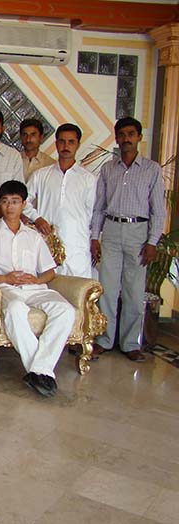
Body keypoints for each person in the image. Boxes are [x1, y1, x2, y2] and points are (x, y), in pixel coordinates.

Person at [0, 180, 75, 398]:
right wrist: (2, 278)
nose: (10, 206)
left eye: (15, 201)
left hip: (35, 288)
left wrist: (37, 280)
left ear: (24, 204)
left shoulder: (33, 236)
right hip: (5, 287)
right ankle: (42, 371)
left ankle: (39, 369)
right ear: (0, 203)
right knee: (15, 309)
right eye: (5, 201)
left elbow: (50, 272)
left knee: (66, 310)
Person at [91, 117, 166, 362]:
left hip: (138, 233)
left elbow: (158, 210)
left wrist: (152, 242)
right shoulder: (108, 169)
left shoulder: (151, 169)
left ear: (139, 137)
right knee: (107, 289)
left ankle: (131, 343)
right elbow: (99, 207)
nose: (126, 139)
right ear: (116, 138)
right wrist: (95, 237)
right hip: (111, 230)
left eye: (131, 134)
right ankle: (104, 339)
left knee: (134, 291)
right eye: (122, 134)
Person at [24, 123, 96, 277]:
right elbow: (24, 202)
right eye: (62, 141)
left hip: (76, 245)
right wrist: (37, 219)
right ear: (56, 144)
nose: (66, 146)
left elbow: (92, 214)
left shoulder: (88, 179)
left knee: (78, 288)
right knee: (46, 286)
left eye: (71, 142)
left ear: (78, 145)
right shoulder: (41, 175)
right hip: (47, 242)